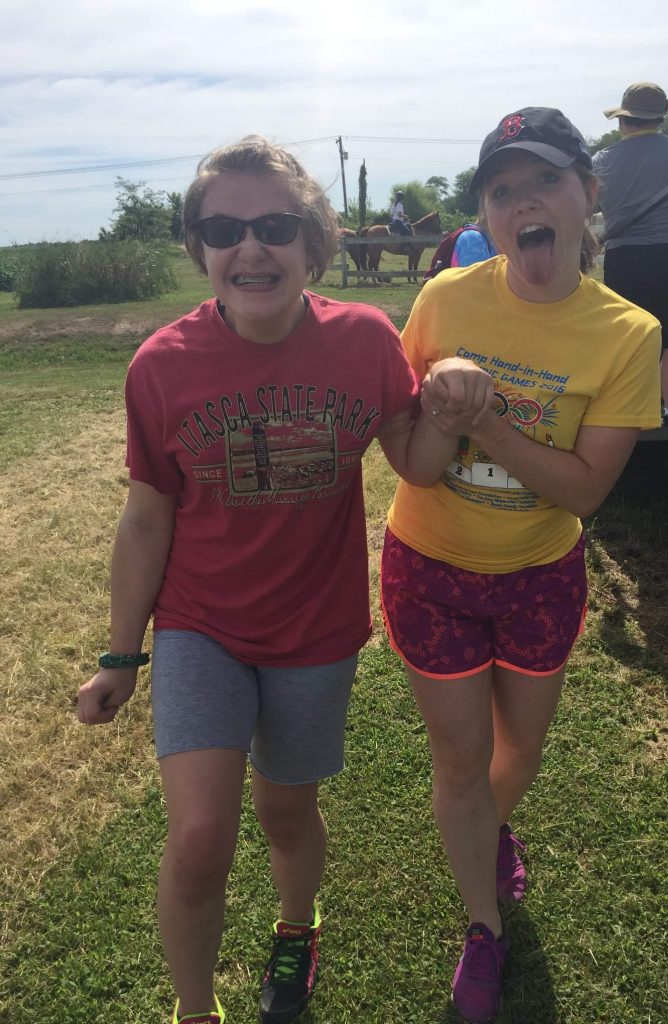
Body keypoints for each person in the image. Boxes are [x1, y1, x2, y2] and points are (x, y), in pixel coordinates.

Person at [76, 135, 464, 1024]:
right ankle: (196, 1010)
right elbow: (146, 517)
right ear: (198, 249)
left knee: (287, 813)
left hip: (314, 630)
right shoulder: (160, 365)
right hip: (199, 624)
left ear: (313, 244)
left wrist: (446, 400)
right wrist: (120, 656)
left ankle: (297, 926)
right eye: (224, 228)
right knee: (202, 837)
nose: (250, 248)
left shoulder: (362, 339)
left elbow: (417, 463)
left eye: (275, 226)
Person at [380, 107, 662, 1024]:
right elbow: (416, 467)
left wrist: (488, 415)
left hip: (542, 572)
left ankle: (485, 831)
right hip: (429, 563)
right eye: (502, 191)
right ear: (489, 217)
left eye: (542, 181)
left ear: (587, 193)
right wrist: (439, 408)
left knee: (519, 751)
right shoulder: (444, 301)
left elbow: (581, 493)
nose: (521, 202)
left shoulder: (628, 333)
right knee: (459, 760)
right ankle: (480, 926)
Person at [592, 82, 668, 427]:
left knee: (628, 338)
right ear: (660, 118)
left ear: (622, 120)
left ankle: (628, 413)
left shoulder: (602, 160)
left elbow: (591, 209)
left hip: (623, 257)